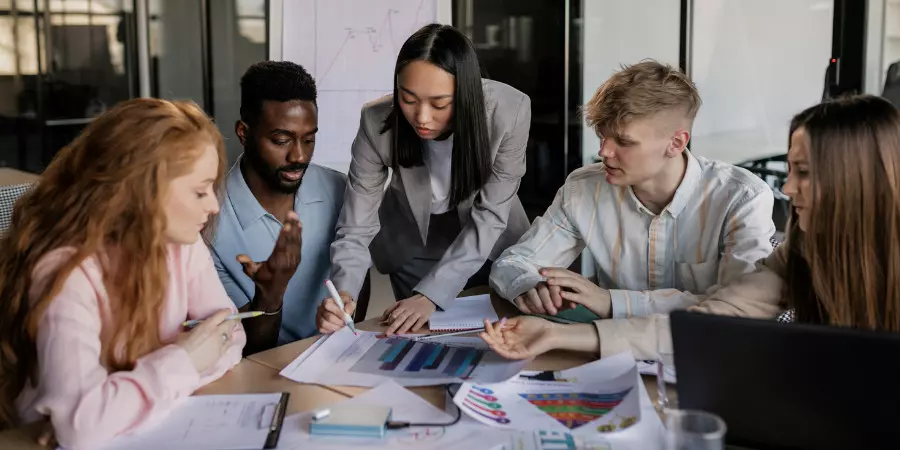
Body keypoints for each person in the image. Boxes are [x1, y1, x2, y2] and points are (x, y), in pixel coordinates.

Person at [481, 94, 900, 361]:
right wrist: (555, 335)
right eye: (791, 169)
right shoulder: (800, 250)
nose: (788, 188)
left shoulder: (741, 196)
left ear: (856, 178)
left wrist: (609, 302)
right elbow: (714, 322)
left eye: (804, 172)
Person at [0, 98, 245, 449]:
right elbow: (82, 427)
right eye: (199, 191)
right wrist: (186, 359)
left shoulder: (183, 245)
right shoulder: (66, 271)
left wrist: (118, 402)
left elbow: (231, 335)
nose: (214, 205)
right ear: (141, 192)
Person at [489, 60, 775, 321]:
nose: (604, 152)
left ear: (676, 143)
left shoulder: (742, 198)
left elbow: (741, 310)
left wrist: (611, 301)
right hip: (609, 353)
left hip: (706, 358)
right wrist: (530, 285)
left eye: (623, 142)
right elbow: (514, 262)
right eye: (602, 137)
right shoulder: (583, 189)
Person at [319, 23, 532, 336]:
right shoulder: (376, 119)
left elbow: (490, 216)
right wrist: (344, 293)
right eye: (408, 98)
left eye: (439, 104)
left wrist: (433, 294)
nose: (421, 117)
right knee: (422, 340)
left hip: (492, 241)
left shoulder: (509, 111)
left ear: (466, 93)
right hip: (413, 244)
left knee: (500, 336)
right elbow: (356, 224)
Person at [208, 61, 349, 354]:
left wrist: (345, 313)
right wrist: (270, 295)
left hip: (335, 357)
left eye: (309, 139)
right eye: (281, 140)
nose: (299, 155)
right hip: (261, 371)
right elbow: (246, 347)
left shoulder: (340, 190)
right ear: (244, 134)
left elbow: (355, 278)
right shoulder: (209, 218)